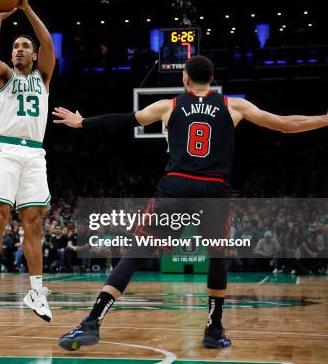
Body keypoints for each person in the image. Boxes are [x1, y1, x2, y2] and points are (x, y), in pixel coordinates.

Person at [52, 55, 328, 350]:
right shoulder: (233, 105)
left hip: (176, 186)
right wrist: (325, 119)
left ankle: (92, 322)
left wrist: (82, 122)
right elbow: (286, 125)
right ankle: (214, 330)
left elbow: (124, 120)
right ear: (212, 80)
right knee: (217, 256)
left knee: (137, 251)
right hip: (213, 189)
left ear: (185, 79)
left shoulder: (169, 105)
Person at [0, 0, 56, 321]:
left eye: (25, 46)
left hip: (35, 154)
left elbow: (49, 42)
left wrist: (25, 8)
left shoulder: (44, 77)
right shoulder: (4, 76)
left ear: (34, 55)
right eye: (16, 46)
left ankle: (36, 292)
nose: (20, 49)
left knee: (34, 222)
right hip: (7, 150)